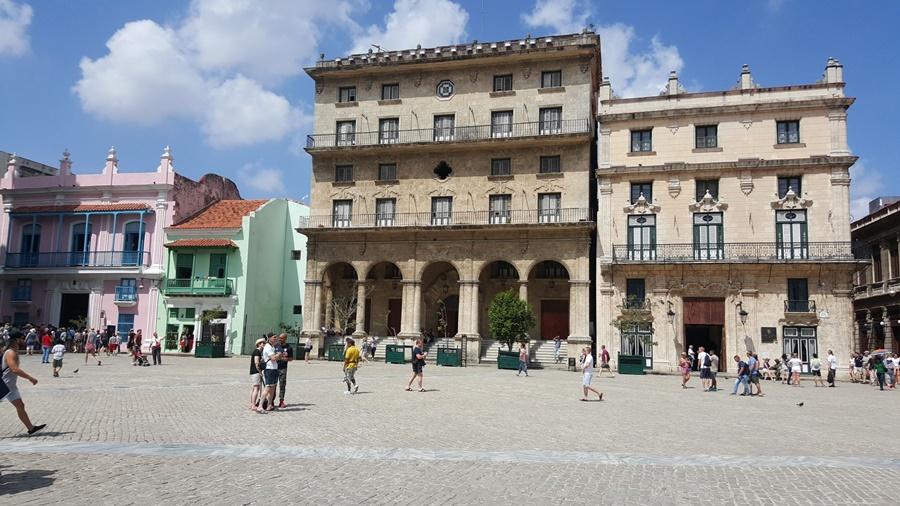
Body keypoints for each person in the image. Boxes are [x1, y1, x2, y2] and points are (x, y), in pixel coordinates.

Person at [2, 331, 46, 435]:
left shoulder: (12, 351)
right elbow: (14, 369)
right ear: (16, 340)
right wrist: (30, 378)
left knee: (20, 406)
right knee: (20, 406)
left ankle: (31, 428)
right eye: (22, 338)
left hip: (11, 387)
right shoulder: (10, 352)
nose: (23, 340)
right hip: (3, 386)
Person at [261, 334, 282, 411]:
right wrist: (279, 354)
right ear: (269, 338)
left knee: (273, 388)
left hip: (274, 368)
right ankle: (260, 405)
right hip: (269, 369)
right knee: (267, 388)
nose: (276, 339)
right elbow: (273, 358)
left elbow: (277, 357)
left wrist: (278, 355)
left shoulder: (272, 347)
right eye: (274, 337)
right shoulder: (267, 347)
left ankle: (269, 404)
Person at [275, 333, 293, 408]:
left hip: (283, 368)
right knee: (272, 385)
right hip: (274, 368)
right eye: (279, 338)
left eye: (281, 338)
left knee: (282, 385)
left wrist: (284, 359)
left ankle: (281, 401)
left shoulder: (289, 347)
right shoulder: (275, 346)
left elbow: (291, 358)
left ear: (285, 338)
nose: (280, 339)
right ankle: (271, 401)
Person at [249, 338, 265, 412]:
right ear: (259, 344)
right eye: (262, 343)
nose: (264, 344)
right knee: (256, 388)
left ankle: (252, 403)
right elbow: (256, 363)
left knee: (254, 388)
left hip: (254, 372)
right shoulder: (257, 351)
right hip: (256, 372)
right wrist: (260, 372)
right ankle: (253, 405)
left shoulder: (259, 352)